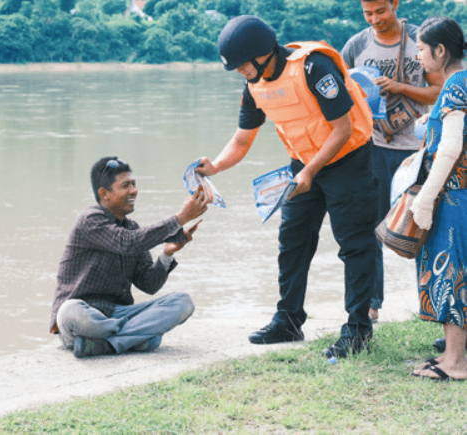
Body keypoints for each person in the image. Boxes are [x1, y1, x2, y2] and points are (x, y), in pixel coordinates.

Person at [196, 15, 378, 358]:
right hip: (304, 165)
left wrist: (309, 171)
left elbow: (341, 129)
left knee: (354, 245)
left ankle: (358, 330)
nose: (239, 72)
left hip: (348, 160)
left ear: (262, 53)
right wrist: (216, 166)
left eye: (241, 65)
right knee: (292, 241)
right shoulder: (254, 83)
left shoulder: (315, 68)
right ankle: (288, 321)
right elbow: (242, 139)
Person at [341, 0, 442, 323]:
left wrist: (399, 87)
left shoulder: (420, 40)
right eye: (368, 13)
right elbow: (340, 96)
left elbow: (440, 91)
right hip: (371, 148)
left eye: (381, 11)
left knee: (424, 225)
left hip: (416, 151)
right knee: (370, 227)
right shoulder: (356, 44)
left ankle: (431, 304)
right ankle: (369, 305)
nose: (375, 19)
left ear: (395, 4)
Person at [50, 156, 210, 358]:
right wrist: (180, 219)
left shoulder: (132, 229)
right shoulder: (90, 219)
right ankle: (135, 335)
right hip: (84, 315)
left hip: (119, 313)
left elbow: (148, 284)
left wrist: (167, 253)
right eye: (125, 185)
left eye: (134, 184)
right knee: (70, 310)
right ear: (104, 194)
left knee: (183, 302)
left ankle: (105, 344)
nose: (134, 191)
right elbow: (128, 243)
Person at [409, 17, 467, 381]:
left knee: (451, 273)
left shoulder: (455, 86)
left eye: (420, 49)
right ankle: (454, 354)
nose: (418, 57)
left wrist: (425, 199)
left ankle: (455, 363)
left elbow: (450, 148)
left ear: (440, 50)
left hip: (453, 198)